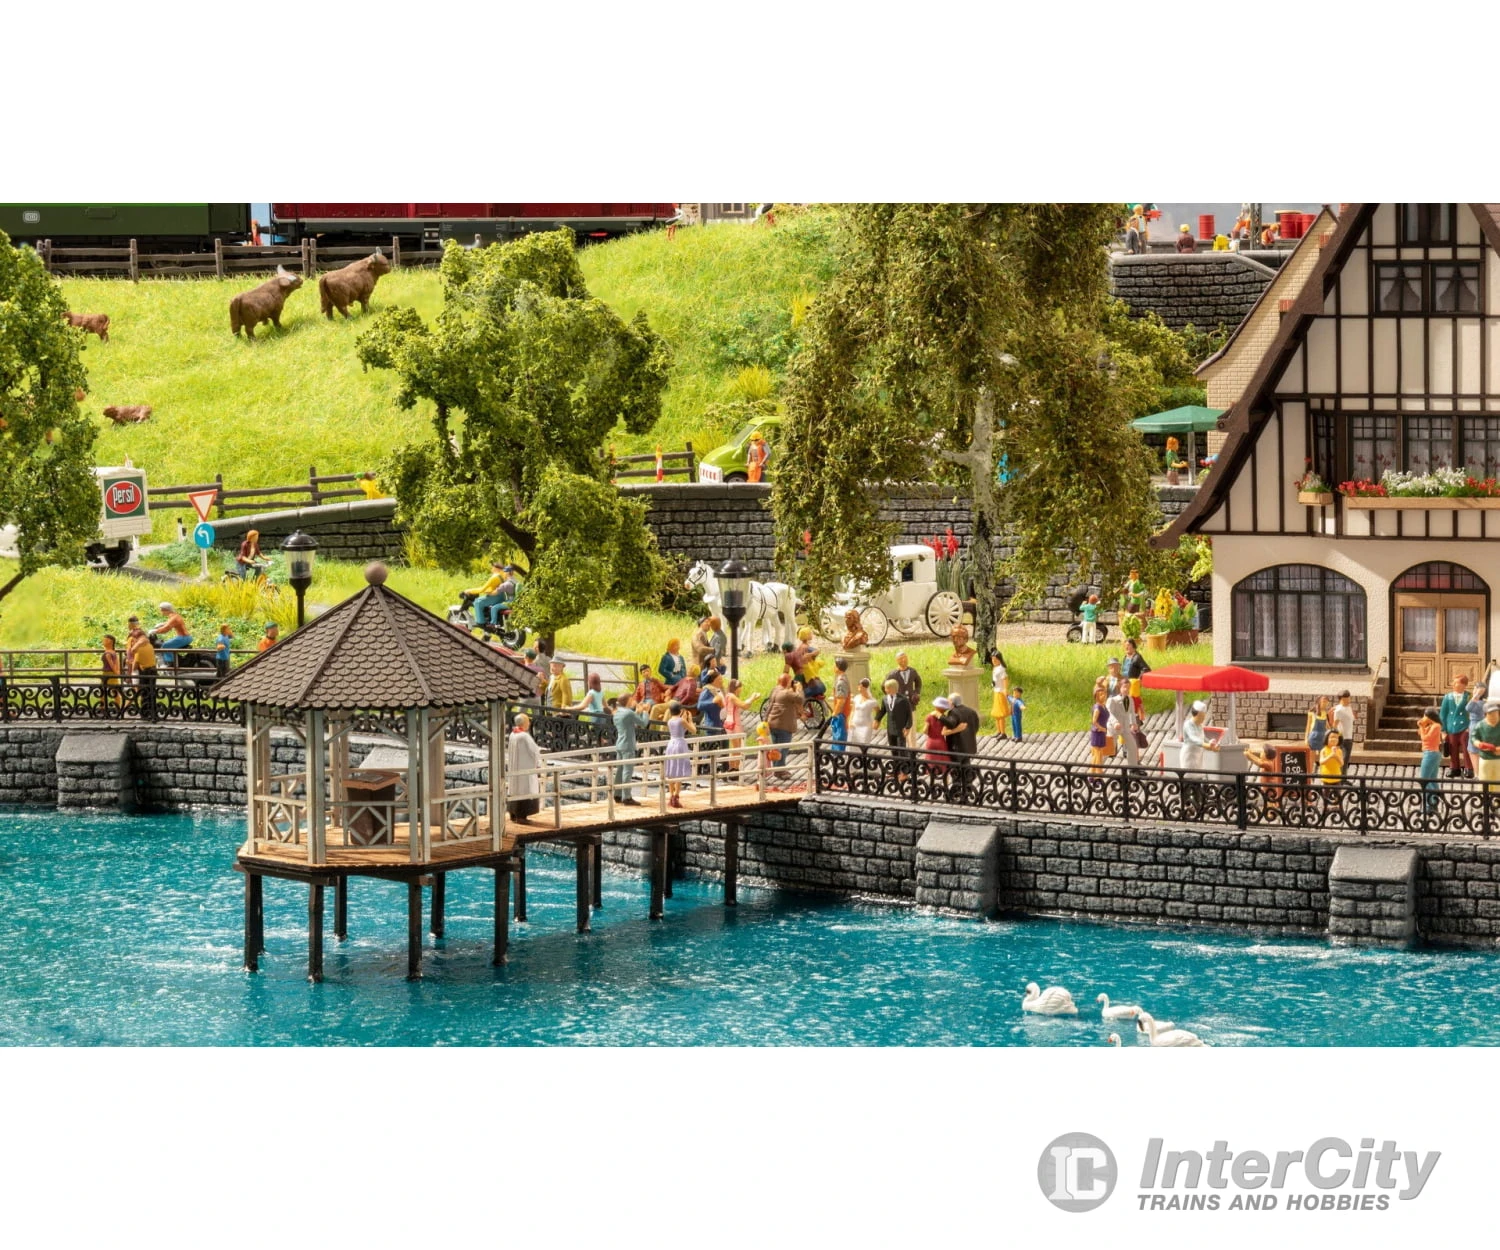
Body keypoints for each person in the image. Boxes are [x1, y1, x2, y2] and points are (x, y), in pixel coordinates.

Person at [762, 674, 804, 780]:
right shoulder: (787, 693)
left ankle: (778, 769)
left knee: (776, 748)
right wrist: (799, 689)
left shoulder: (775, 690)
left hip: (772, 723)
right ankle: (779, 771)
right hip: (783, 725)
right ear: (788, 682)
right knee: (783, 749)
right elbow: (800, 699)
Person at [612, 692, 649, 805]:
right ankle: (627, 797)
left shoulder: (617, 712)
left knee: (620, 770)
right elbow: (643, 723)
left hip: (620, 744)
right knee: (627, 771)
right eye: (632, 699)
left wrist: (637, 712)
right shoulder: (628, 713)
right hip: (628, 745)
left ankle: (617, 794)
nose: (634, 701)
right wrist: (645, 711)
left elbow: (628, 721)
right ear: (628, 701)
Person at [506, 713, 542, 822]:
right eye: (528, 722)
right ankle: (522, 816)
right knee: (525, 790)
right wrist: (538, 764)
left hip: (515, 768)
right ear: (525, 723)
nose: (529, 724)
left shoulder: (513, 734)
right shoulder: (524, 736)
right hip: (525, 768)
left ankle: (513, 813)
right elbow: (534, 751)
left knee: (515, 789)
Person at [723, 677, 759, 773]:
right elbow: (744, 705)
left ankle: (733, 767)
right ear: (736, 688)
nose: (741, 690)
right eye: (740, 688)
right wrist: (752, 698)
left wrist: (750, 700)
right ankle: (734, 768)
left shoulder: (728, 695)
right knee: (737, 748)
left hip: (730, 722)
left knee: (735, 747)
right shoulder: (732, 696)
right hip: (734, 723)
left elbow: (743, 705)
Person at [1440, 674, 1472, 778]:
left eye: (1457, 682)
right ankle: (1454, 768)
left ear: (1464, 685)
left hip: (1465, 727)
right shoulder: (1448, 697)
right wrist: (1443, 730)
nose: (1454, 684)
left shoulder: (1469, 696)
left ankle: (1469, 768)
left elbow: (1473, 712)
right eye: (1454, 682)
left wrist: (1470, 727)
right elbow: (1443, 714)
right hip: (1451, 727)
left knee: (1467, 748)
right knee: (1452, 748)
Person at [126, 618, 157, 721]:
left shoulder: (139, 647)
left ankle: (145, 714)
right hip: (153, 670)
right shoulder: (149, 645)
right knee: (151, 693)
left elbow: (136, 661)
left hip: (145, 671)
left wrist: (131, 671)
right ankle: (153, 712)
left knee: (144, 693)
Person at [465, 562, 511, 631]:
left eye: (492, 567)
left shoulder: (495, 577)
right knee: (481, 600)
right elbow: (494, 587)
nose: (491, 569)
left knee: (478, 602)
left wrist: (469, 591)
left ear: (496, 569)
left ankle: (480, 622)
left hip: (494, 597)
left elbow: (482, 589)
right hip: (501, 597)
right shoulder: (501, 576)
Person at [1106, 670, 1139, 767]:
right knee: (1109, 748)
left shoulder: (1130, 699)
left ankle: (1133, 767)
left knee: (1132, 746)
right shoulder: (1113, 700)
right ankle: (1098, 767)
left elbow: (1131, 712)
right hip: (1114, 728)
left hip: (1125, 727)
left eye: (1128, 687)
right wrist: (1115, 722)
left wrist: (1133, 723)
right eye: (1125, 687)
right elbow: (1109, 713)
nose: (1126, 689)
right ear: (1120, 688)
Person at [664, 701, 693, 807]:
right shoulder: (681, 720)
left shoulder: (670, 721)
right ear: (680, 711)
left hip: (671, 743)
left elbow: (679, 730)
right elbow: (693, 730)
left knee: (671, 767)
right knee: (679, 768)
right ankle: (676, 795)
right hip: (680, 744)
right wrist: (690, 720)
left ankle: (671, 795)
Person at [1180, 700, 1220, 773]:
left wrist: (1211, 744)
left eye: (1204, 716)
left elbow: (1203, 738)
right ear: (1196, 715)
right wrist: (1207, 745)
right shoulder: (1188, 724)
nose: (1203, 719)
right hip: (1189, 755)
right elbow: (1194, 739)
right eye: (1201, 716)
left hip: (1198, 755)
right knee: (1190, 775)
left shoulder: (1200, 726)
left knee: (1199, 774)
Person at [1418, 706, 1444, 812]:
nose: (1423, 717)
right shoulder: (1431, 725)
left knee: (1424, 780)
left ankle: (1431, 803)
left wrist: (1421, 727)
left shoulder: (1436, 726)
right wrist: (1423, 726)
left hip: (1431, 754)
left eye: (1425, 716)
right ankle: (1434, 802)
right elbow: (1421, 733)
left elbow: (1425, 738)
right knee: (1432, 779)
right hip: (1430, 753)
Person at [1472, 702, 1500, 793]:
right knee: (1485, 778)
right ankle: (1485, 796)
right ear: (1485, 714)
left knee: (1498, 779)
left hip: (1498, 759)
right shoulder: (1480, 725)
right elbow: (1474, 737)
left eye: (1496, 713)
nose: (1494, 716)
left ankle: (1497, 797)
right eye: (1491, 714)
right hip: (1485, 758)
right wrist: (1479, 744)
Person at [1122, 638, 1150, 721]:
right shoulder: (1125, 657)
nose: (1126, 647)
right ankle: (1127, 719)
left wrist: (1138, 679)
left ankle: (1137, 719)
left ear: (1133, 646)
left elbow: (1146, 669)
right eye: (1125, 645)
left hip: (1133, 684)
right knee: (1125, 700)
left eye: (1128, 645)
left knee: (1135, 701)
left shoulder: (1137, 657)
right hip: (1125, 683)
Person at [924, 696, 952, 777]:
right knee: (944, 765)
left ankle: (932, 781)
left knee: (931, 764)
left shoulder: (929, 717)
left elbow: (925, 730)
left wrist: (930, 733)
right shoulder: (944, 718)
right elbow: (944, 732)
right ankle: (946, 781)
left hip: (931, 742)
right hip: (941, 742)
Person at [828, 656, 851, 752]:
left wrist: (835, 713)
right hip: (841, 713)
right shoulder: (841, 678)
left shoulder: (841, 682)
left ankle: (837, 756)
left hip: (840, 714)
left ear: (838, 667)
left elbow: (841, 700)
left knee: (838, 737)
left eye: (835, 665)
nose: (833, 667)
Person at [1088, 687, 1111, 775]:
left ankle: (1093, 771)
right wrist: (1101, 728)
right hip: (1097, 732)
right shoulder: (1097, 707)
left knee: (1100, 752)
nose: (1103, 696)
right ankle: (1096, 771)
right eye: (1101, 695)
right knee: (1097, 752)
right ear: (1096, 696)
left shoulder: (1103, 706)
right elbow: (1094, 721)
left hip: (1102, 732)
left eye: (1104, 694)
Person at [1332, 689, 1356, 771]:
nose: (1349, 700)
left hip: (1349, 736)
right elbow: (1335, 725)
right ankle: (1341, 776)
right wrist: (1335, 738)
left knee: (1346, 760)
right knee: (1343, 759)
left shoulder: (1349, 707)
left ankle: (1343, 775)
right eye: (1347, 698)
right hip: (1343, 737)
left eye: (1349, 698)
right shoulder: (1338, 710)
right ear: (1342, 699)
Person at [849, 677, 877, 747]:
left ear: (866, 688)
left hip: (866, 725)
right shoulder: (856, 698)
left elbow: (878, 712)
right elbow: (853, 710)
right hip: (855, 724)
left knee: (864, 742)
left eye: (861, 687)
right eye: (859, 687)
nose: (859, 689)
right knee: (853, 743)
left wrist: (876, 721)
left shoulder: (872, 701)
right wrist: (850, 721)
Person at [989, 649, 1009, 738]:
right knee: (996, 714)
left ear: (999, 659)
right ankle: (998, 731)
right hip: (996, 691)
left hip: (1000, 692)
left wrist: (1005, 689)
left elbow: (1005, 679)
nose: (993, 661)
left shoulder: (1001, 669)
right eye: (992, 659)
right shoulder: (995, 668)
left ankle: (1003, 733)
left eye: (995, 659)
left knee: (1000, 714)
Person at [101, 633, 123, 709]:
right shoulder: (112, 652)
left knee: (112, 690)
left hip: (109, 673)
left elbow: (112, 665)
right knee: (110, 690)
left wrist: (116, 672)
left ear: (110, 642)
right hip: (109, 673)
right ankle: (104, 705)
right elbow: (117, 662)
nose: (103, 642)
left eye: (105, 640)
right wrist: (117, 672)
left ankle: (107, 706)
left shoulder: (108, 653)